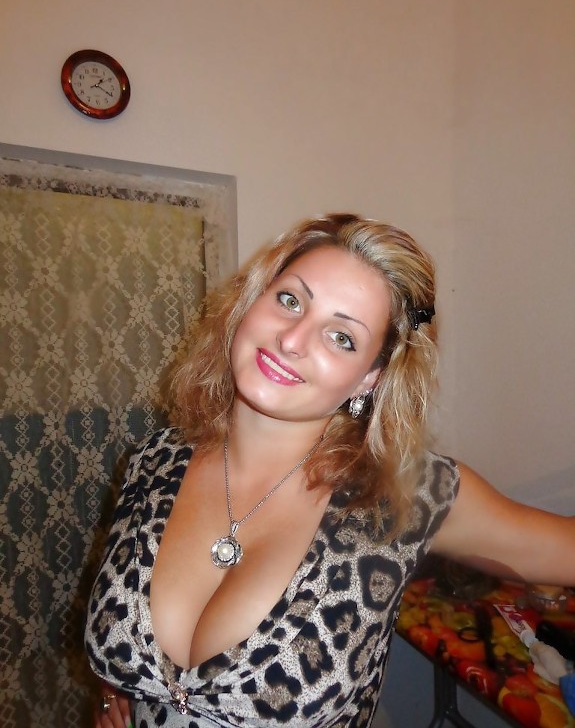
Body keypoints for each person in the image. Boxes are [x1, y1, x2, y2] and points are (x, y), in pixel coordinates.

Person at [85, 213, 575, 728]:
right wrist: (113, 689)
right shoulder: (154, 459)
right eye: (290, 300)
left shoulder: (408, 496)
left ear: (369, 378)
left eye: (341, 336)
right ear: (251, 302)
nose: (293, 339)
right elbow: (123, 631)